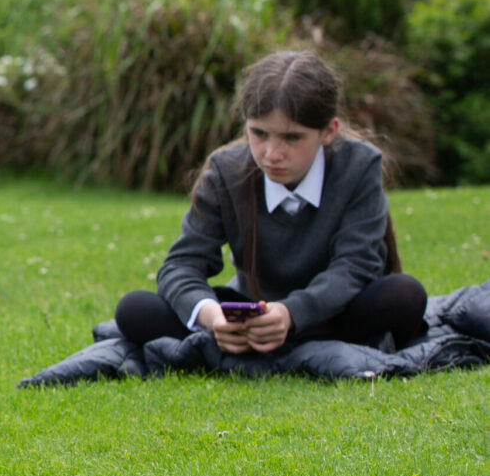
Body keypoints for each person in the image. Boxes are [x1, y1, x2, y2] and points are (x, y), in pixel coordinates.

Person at [114, 50, 426, 354]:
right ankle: (242, 339)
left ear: (328, 132)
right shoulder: (226, 170)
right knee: (134, 309)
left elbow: (356, 267)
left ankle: (268, 343)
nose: (271, 154)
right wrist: (214, 318)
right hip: (252, 314)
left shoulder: (359, 166)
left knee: (404, 295)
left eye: (292, 138)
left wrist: (291, 314)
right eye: (259, 133)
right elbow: (180, 265)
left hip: (334, 312)